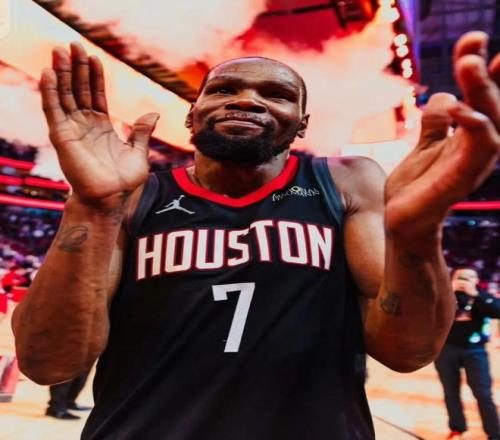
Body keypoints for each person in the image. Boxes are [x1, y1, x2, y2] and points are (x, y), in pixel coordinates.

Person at [11, 31, 500, 439]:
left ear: (302, 125)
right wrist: (92, 208)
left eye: (277, 94)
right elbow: (48, 363)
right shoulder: (134, 194)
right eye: (224, 89)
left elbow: (407, 352)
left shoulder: (348, 182)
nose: (247, 99)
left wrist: (417, 237)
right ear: (192, 114)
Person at [435, 268, 500, 440]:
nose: (464, 280)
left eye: (470, 277)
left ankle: (495, 434)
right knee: (450, 392)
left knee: (483, 394)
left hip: (475, 351)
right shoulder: (443, 295)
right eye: (460, 277)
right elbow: (427, 312)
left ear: (477, 280)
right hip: (446, 349)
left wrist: (476, 294)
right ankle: (457, 429)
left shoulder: (482, 297)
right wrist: (448, 291)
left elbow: (497, 311)